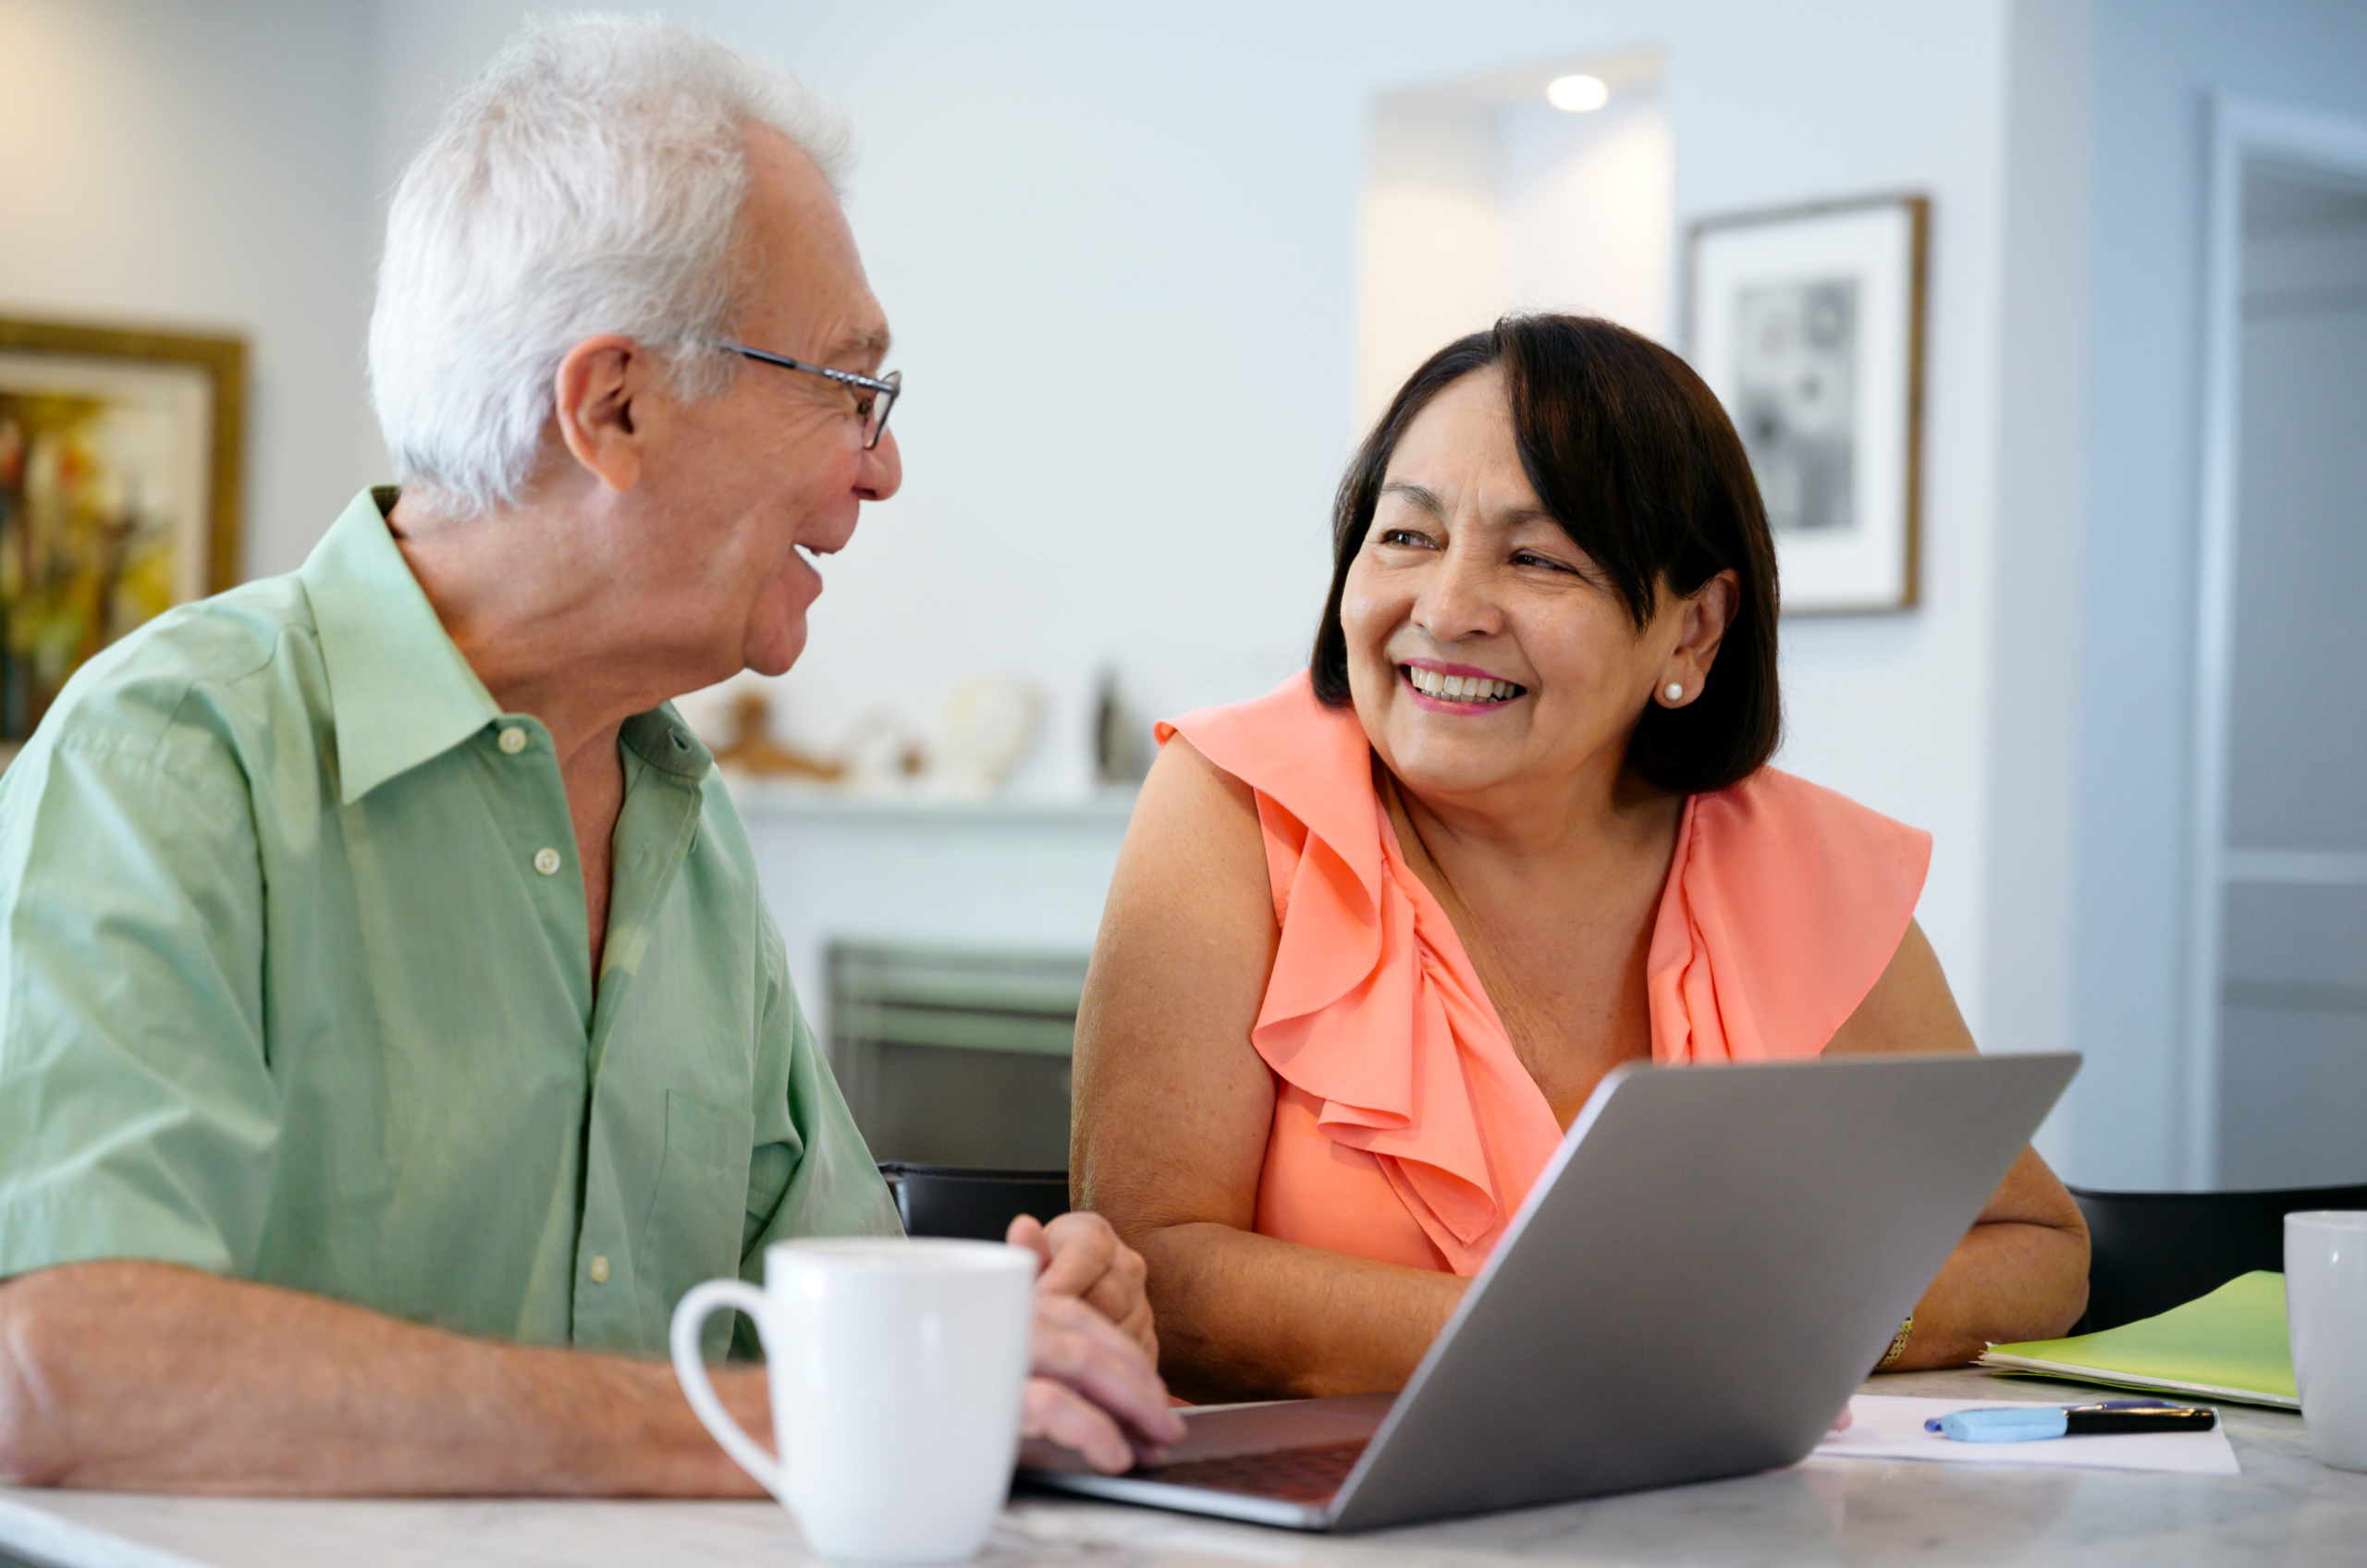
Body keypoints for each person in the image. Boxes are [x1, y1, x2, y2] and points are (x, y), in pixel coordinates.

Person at [0, 16, 1177, 1491]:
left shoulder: (685, 815)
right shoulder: (171, 758)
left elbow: (825, 1309)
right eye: (845, 388)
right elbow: (63, 1371)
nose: (881, 466)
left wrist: (1013, 1329)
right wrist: (778, 1422)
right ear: (612, 403)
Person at [1072, 315, 2090, 1403]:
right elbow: (1152, 1272)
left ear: (1692, 630)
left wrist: (1802, 1329)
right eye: (1406, 538)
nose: (1448, 610)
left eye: (1537, 558)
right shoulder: (1235, 804)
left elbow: (2033, 1249)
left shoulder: (1795, 865)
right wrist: (1610, 1345)